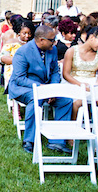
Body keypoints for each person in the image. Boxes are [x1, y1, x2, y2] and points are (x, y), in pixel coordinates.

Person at [7, 25, 72, 155]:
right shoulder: (23, 52)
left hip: (46, 86)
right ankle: (29, 140)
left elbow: (54, 72)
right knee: (36, 97)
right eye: (52, 40)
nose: (55, 43)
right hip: (23, 88)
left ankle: (57, 141)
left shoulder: (52, 50)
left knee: (66, 101)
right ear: (41, 40)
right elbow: (20, 78)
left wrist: (52, 89)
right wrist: (41, 88)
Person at [62, 25, 98, 119]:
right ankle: (75, 127)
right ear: (92, 38)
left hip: (92, 83)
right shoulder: (72, 51)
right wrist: (80, 84)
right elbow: (66, 74)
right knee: (79, 101)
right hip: (74, 82)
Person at [0, 19, 34, 90]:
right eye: (24, 33)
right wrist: (20, 61)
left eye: (29, 33)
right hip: (12, 71)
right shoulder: (11, 42)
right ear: (19, 32)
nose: (27, 36)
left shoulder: (32, 44)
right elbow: (3, 58)